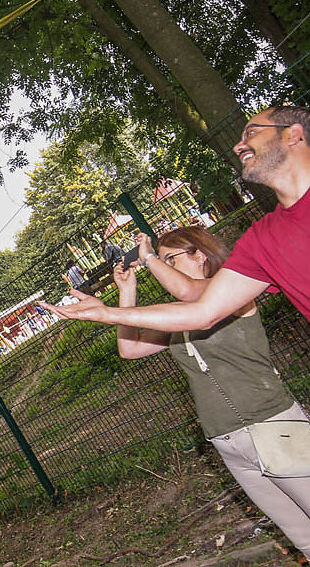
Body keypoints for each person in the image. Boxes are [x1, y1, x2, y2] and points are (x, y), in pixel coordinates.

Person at [111, 226, 310, 558]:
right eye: (162, 261)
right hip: (228, 441)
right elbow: (129, 348)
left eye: (170, 259)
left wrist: (148, 257)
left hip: (273, 425)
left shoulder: (234, 291)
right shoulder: (181, 318)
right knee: (302, 536)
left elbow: (191, 292)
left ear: (199, 255)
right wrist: (127, 290)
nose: (162, 267)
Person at [41, 106, 310, 332]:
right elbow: (202, 309)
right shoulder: (262, 239)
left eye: (251, 132)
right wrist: (108, 313)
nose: (239, 145)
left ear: (294, 135)